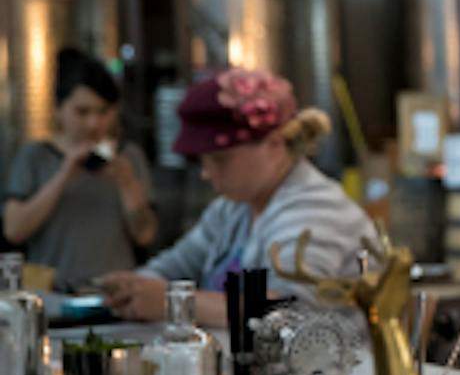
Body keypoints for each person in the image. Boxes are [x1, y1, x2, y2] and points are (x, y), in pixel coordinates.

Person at [98, 67, 373, 323]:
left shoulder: (315, 210)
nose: (205, 173)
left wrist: (176, 303)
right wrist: (133, 287)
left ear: (275, 144)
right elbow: (177, 264)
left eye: (219, 159)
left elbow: (292, 311)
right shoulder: (234, 208)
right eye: (201, 161)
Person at [4, 48, 157, 286]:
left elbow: (145, 236)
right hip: (53, 294)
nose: (93, 123)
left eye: (103, 111)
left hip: (115, 292)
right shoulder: (35, 156)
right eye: (82, 112)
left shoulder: (129, 157)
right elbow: (13, 230)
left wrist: (127, 183)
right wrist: (64, 175)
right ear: (59, 109)